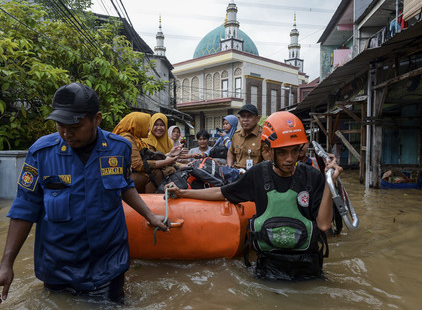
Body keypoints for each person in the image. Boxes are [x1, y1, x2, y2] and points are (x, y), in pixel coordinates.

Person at [0, 83, 170, 309]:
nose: (66, 132)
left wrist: (150, 216)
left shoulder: (118, 148)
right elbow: (25, 208)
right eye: (60, 125)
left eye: (75, 125)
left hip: (107, 265)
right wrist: (7, 264)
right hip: (57, 267)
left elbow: (124, 186)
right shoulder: (41, 153)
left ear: (97, 119)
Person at [165, 111, 343, 281]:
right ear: (268, 151)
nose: (290, 158)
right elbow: (222, 192)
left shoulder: (312, 176)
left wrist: (330, 183)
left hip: (307, 265)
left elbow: (324, 224)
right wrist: (183, 192)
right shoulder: (258, 174)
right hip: (269, 265)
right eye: (282, 152)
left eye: (294, 151)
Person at [112, 112, 180, 193]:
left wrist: (168, 155)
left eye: (162, 125)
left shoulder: (137, 139)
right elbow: (138, 164)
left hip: (130, 174)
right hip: (122, 177)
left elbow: (147, 157)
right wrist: (165, 162)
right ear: (139, 125)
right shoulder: (128, 139)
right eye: (148, 126)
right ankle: (150, 202)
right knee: (156, 173)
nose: (149, 129)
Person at [227, 104, 268, 170]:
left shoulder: (263, 136)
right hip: (238, 175)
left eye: (249, 116)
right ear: (239, 119)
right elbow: (231, 152)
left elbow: (268, 162)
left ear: (258, 119)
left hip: (256, 176)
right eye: (243, 116)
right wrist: (229, 166)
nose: (245, 119)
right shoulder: (236, 135)